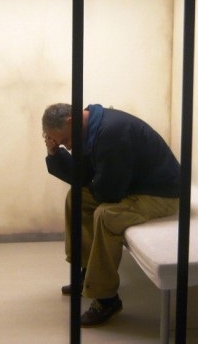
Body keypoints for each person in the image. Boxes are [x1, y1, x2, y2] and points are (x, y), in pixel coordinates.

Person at [42, 103, 180, 327]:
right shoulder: (91, 127)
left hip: (161, 194)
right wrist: (54, 153)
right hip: (133, 186)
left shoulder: (112, 132)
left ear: (71, 122)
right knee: (76, 198)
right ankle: (87, 274)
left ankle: (106, 299)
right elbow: (85, 177)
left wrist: (93, 182)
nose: (67, 146)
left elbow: (109, 192)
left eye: (65, 141)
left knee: (106, 216)